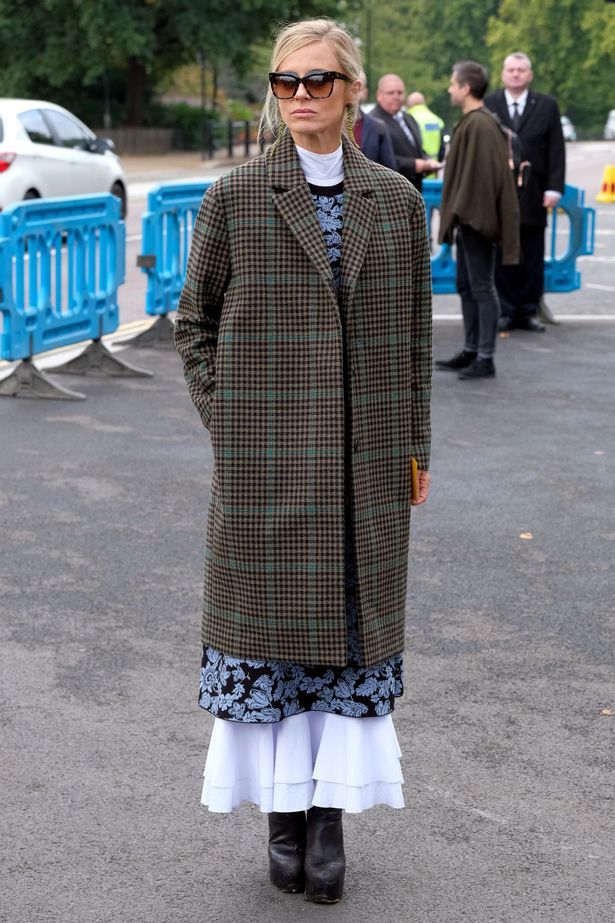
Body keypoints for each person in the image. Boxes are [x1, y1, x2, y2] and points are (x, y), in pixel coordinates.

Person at [174, 17, 432, 905]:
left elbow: (411, 341)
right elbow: (192, 325)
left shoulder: (394, 200)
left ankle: (326, 821)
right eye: (285, 82)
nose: (299, 97)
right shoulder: (234, 196)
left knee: (346, 647)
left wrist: (415, 450)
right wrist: (229, 423)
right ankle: (281, 820)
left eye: (317, 81)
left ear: (352, 88)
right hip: (265, 466)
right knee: (270, 653)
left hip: (365, 467)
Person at [436, 61, 520, 380]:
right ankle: (472, 350)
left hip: (476, 221)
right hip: (469, 219)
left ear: (466, 88)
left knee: (481, 287)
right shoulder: (476, 122)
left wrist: (471, 218)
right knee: (467, 285)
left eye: (453, 84)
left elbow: (483, 180)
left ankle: (485, 357)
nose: (449, 89)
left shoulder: (481, 124)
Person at [485, 52, 566, 332]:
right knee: (503, 252)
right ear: (503, 74)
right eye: (511, 69)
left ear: (529, 74)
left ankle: (528, 311)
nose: (516, 74)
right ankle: (506, 311)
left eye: (521, 70)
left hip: (535, 191)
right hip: (500, 192)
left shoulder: (546, 105)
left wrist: (555, 188)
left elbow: (556, 149)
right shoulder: (490, 104)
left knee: (531, 253)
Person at [372, 74, 441, 192]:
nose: (396, 97)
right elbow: (377, 160)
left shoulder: (409, 118)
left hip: (415, 189)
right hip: (391, 192)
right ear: (379, 95)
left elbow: (416, 150)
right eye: (391, 93)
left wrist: (427, 161)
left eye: (400, 93)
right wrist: (413, 165)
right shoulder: (373, 122)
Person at [353, 71, 397, 169]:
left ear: (365, 93)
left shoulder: (378, 128)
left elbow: (389, 170)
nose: (352, 93)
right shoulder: (327, 126)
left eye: (357, 88)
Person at [406, 91, 446, 173]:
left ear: (409, 104)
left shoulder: (408, 118)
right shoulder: (435, 119)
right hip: (433, 167)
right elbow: (442, 147)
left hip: (417, 169)